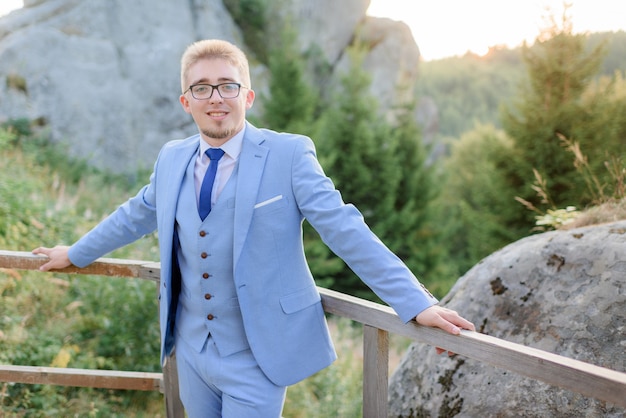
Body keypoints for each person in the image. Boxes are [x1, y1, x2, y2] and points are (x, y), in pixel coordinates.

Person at [32, 39, 474, 417]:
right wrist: (75, 253)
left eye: (227, 85)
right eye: (201, 88)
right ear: (187, 102)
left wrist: (414, 303)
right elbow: (136, 213)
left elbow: (345, 230)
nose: (216, 98)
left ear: (248, 96)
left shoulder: (290, 155)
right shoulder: (171, 158)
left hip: (258, 357)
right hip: (190, 350)